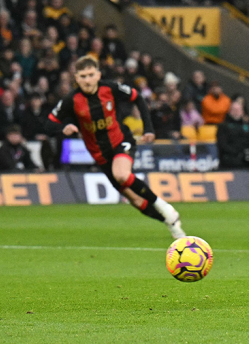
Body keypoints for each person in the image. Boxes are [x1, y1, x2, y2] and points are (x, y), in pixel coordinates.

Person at [46, 56, 186, 239]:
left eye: (90, 75)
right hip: (100, 154)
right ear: (76, 78)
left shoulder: (110, 88)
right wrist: (62, 127)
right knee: (135, 200)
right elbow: (49, 123)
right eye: (82, 76)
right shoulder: (72, 100)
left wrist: (149, 128)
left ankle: (163, 205)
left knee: (121, 174)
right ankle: (172, 224)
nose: (87, 80)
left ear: (98, 75)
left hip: (121, 140)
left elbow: (138, 98)